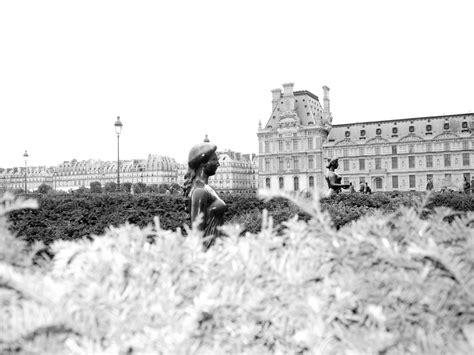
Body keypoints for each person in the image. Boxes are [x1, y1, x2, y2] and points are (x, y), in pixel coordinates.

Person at [183, 140, 227, 250]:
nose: (218, 163)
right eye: (214, 159)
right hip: (209, 251)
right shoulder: (200, 191)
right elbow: (197, 231)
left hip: (215, 248)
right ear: (203, 163)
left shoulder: (205, 188)